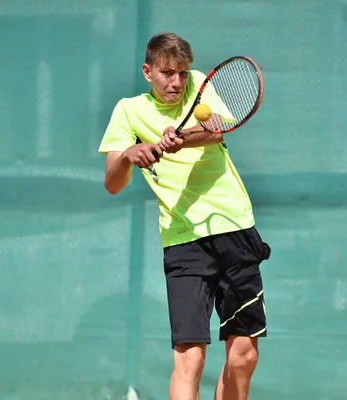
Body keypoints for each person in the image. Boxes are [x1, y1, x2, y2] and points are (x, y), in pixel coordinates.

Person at [98, 32, 271, 400]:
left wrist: (182, 137)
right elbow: (112, 183)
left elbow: (217, 128)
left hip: (235, 229)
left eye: (181, 72)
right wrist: (129, 154)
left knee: (243, 357)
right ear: (147, 71)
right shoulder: (128, 111)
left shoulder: (200, 84)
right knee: (189, 359)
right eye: (166, 73)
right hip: (183, 242)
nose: (176, 82)